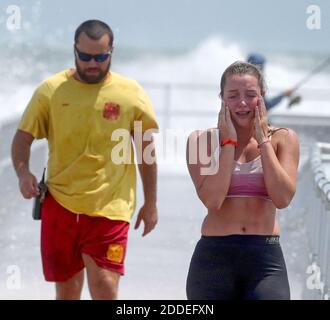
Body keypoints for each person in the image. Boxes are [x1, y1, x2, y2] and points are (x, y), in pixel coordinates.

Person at [11, 20, 159, 300]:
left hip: (110, 206)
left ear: (112, 52)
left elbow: (146, 151)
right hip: (60, 204)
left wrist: (151, 202)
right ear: (74, 51)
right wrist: (22, 172)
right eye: (86, 56)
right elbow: (23, 137)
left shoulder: (131, 94)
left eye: (101, 57)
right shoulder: (51, 90)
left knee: (105, 285)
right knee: (67, 291)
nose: (93, 64)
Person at [185, 61, 299, 300]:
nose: (243, 103)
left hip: (264, 259)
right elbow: (213, 201)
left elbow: (282, 198)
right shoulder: (200, 141)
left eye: (251, 95)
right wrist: (228, 144)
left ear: (263, 97)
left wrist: (263, 141)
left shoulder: (284, 139)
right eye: (233, 95)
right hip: (213, 258)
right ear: (221, 98)